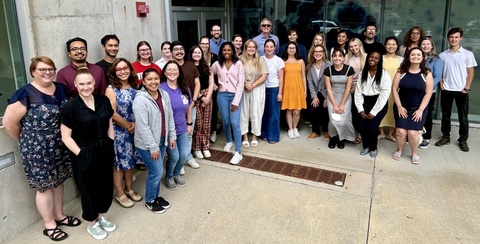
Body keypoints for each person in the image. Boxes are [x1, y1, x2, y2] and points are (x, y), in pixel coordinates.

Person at [3, 56, 79, 242]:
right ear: (33, 72)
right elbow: (8, 123)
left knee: (59, 181)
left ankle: (60, 216)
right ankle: (49, 224)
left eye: (50, 69)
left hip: (60, 143)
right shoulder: (25, 93)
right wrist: (26, 141)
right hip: (36, 149)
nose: (47, 72)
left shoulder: (60, 88)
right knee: (44, 187)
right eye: (42, 69)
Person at [60, 67, 116, 240]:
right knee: (88, 189)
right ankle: (92, 223)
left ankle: (101, 216)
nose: (85, 87)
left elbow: (109, 123)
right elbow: (65, 136)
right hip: (83, 153)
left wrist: (111, 142)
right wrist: (81, 154)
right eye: (81, 84)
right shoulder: (70, 107)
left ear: (95, 83)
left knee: (105, 185)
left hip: (104, 149)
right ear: (75, 84)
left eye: (89, 83)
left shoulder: (103, 100)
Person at [132, 68, 175, 213]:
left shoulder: (164, 94)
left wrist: (171, 136)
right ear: (143, 82)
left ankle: (156, 197)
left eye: (156, 78)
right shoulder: (140, 100)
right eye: (149, 79)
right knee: (156, 172)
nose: (153, 82)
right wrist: (153, 147)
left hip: (161, 139)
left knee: (157, 170)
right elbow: (143, 127)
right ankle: (150, 200)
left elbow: (169, 117)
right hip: (147, 144)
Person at [104, 58, 142, 208]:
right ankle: (119, 193)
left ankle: (129, 188)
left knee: (130, 161)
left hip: (135, 130)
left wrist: (136, 126)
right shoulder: (111, 89)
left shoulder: (135, 86)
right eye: (118, 69)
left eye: (125, 68)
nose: (122, 71)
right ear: (114, 72)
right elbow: (111, 112)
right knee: (119, 164)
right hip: (119, 131)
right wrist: (128, 126)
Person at [435, 27, 477, 152]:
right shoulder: (442, 55)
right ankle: (446, 137)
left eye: (456, 37)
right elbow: (440, 72)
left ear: (461, 38)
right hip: (447, 89)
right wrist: (441, 85)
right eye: (451, 37)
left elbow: (470, 72)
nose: (454, 39)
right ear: (448, 38)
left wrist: (467, 87)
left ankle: (463, 140)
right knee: (446, 116)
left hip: (461, 90)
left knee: (463, 117)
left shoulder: (467, 54)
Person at [391, 47, 433, 164]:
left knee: (413, 133)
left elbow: (428, 93)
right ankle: (399, 150)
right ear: (409, 57)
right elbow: (394, 89)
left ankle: (414, 153)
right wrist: (399, 106)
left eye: (418, 55)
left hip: (418, 108)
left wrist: (420, 110)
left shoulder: (426, 73)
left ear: (422, 57)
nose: (415, 56)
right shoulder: (401, 71)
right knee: (400, 132)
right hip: (402, 107)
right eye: (413, 54)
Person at [210, 42, 245, 164]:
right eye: (224, 50)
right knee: (225, 120)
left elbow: (241, 83)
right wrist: (214, 87)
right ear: (221, 51)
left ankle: (238, 152)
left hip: (235, 96)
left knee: (234, 122)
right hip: (222, 96)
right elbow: (209, 74)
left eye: (229, 50)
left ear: (232, 51)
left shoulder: (238, 63)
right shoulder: (217, 64)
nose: (226, 52)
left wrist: (236, 101)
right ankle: (229, 141)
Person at [160, 61, 192, 190]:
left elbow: (189, 107)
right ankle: (168, 177)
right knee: (174, 156)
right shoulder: (161, 88)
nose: (172, 72)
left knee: (184, 155)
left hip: (182, 127)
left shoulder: (184, 88)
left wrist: (189, 124)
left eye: (175, 69)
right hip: (168, 130)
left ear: (179, 72)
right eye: (169, 69)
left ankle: (176, 174)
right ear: (165, 72)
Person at [355, 51, 392, 157]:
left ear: (380, 60)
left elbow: (384, 95)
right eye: (371, 57)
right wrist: (360, 109)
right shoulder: (363, 72)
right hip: (364, 102)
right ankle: (366, 146)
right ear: (368, 58)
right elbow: (358, 92)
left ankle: (373, 147)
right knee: (362, 126)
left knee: (372, 127)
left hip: (379, 103)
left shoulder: (384, 74)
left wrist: (374, 112)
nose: (373, 59)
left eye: (376, 58)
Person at [171, 40, 201, 169]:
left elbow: (197, 84)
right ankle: (179, 160)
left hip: (190, 105)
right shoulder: (170, 67)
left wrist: (193, 101)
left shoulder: (191, 65)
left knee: (189, 131)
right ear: (172, 52)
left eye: (181, 48)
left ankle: (187, 156)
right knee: (177, 133)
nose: (179, 51)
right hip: (175, 108)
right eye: (176, 49)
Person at [324, 48, 356, 149]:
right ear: (332, 57)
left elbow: (348, 88)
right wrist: (334, 104)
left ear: (343, 58)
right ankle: (333, 137)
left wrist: (342, 104)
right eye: (335, 56)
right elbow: (328, 89)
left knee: (344, 120)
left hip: (345, 96)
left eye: (340, 56)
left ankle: (342, 138)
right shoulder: (328, 70)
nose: (337, 58)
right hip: (332, 96)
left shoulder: (349, 69)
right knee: (333, 119)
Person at [240, 39, 269, 147]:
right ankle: (245, 136)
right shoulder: (240, 60)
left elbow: (264, 75)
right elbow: (236, 75)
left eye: (253, 47)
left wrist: (253, 85)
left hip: (257, 89)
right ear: (245, 48)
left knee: (256, 113)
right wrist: (244, 84)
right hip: (244, 89)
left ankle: (254, 136)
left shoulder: (260, 60)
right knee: (244, 113)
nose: (251, 49)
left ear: (256, 49)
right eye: (249, 47)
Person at [188, 45, 214, 159]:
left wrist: (207, 98)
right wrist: (202, 97)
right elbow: (191, 86)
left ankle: (205, 146)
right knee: (198, 124)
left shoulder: (206, 67)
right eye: (195, 53)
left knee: (206, 124)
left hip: (207, 96)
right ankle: (197, 148)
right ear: (191, 54)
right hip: (195, 97)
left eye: (199, 53)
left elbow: (211, 83)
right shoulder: (189, 67)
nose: (197, 54)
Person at [418, 36, 444, 149]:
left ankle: (426, 137)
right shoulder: (416, 57)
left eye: (428, 44)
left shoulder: (437, 60)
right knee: (415, 112)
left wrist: (426, 88)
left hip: (428, 92)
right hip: (415, 92)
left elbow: (437, 77)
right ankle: (415, 135)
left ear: (432, 46)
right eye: (423, 44)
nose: (425, 46)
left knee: (426, 114)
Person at [379, 36, 404, 141]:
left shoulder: (401, 60)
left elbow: (403, 74)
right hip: (381, 89)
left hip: (396, 90)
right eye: (389, 44)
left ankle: (389, 133)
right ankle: (381, 133)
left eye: (393, 44)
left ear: (397, 46)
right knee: (380, 109)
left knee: (393, 111)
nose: (391, 46)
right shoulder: (380, 58)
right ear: (385, 46)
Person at [281, 41, 307, 139]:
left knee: (297, 111)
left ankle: (295, 128)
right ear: (287, 50)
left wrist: (305, 90)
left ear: (296, 49)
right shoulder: (283, 62)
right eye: (289, 48)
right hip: (287, 88)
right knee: (289, 110)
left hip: (298, 88)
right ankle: (290, 129)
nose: (291, 50)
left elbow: (303, 77)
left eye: (293, 48)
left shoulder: (300, 61)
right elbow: (281, 77)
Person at [261, 39, 284, 144]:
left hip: (274, 88)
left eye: (271, 47)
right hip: (262, 88)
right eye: (267, 47)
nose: (269, 49)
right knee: (263, 112)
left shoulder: (278, 60)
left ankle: (273, 136)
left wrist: (280, 93)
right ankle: (264, 133)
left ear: (275, 48)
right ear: (264, 48)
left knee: (274, 114)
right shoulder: (261, 59)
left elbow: (281, 78)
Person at [345, 37, 367, 144]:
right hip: (350, 88)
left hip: (363, 89)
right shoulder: (347, 58)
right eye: (351, 46)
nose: (353, 48)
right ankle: (351, 133)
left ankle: (361, 134)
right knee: (352, 112)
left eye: (355, 45)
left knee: (361, 112)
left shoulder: (367, 57)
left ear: (360, 45)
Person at [306, 44, 331, 140]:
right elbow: (310, 83)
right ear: (313, 53)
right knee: (313, 111)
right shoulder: (310, 66)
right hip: (315, 92)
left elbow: (332, 82)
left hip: (326, 92)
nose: (318, 53)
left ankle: (326, 131)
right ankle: (315, 131)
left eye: (320, 51)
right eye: (316, 51)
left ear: (324, 53)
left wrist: (327, 98)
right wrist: (314, 96)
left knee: (325, 111)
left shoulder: (329, 65)